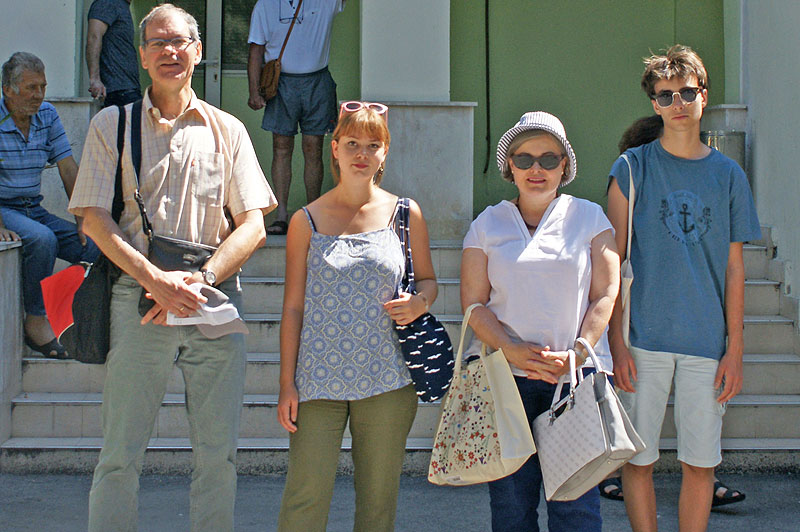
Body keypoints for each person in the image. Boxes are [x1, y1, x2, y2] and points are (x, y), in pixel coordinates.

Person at [69, 5, 277, 531]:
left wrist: (201, 281)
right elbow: (93, 219)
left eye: (179, 41)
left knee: (218, 457)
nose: (169, 50)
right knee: (119, 455)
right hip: (137, 300)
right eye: (157, 42)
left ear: (198, 51)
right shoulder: (112, 124)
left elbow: (253, 224)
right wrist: (155, 281)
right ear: (141, 56)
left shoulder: (228, 129)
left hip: (212, 299)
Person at [606, 45, 760, 532]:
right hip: (641, 340)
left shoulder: (729, 175)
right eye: (666, 95)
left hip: (706, 343)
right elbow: (612, 263)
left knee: (701, 464)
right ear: (654, 103)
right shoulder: (631, 168)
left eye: (687, 93)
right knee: (638, 461)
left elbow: (735, 269)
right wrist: (615, 343)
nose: (678, 103)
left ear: (703, 96)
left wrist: (735, 348)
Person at [276, 101, 435, 531]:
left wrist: (419, 302)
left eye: (372, 145)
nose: (361, 154)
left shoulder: (405, 213)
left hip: (387, 379)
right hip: (317, 382)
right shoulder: (305, 220)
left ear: (385, 152)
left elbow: (428, 281)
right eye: (352, 144)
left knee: (378, 504)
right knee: (304, 500)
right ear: (335, 148)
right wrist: (287, 383)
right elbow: (293, 307)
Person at [460, 111, 620, 532]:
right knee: (511, 509)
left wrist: (579, 351)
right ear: (509, 166)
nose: (537, 169)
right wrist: (511, 348)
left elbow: (606, 293)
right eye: (525, 158)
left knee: (577, 508)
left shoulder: (590, 218)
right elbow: (473, 304)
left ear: (564, 166)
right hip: (506, 380)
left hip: (574, 380)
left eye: (549, 159)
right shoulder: (486, 224)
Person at [0, 51, 99, 359]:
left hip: (34, 207)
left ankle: (64, 311)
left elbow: (67, 167)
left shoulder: (48, 115)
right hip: (5, 208)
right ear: (8, 89)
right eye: (31, 88)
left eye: (42, 86)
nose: (39, 95)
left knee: (94, 247)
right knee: (43, 240)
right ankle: (36, 320)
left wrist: (83, 216)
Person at [247, 0, 344, 235]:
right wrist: (253, 91)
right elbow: (256, 51)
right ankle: (281, 215)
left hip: (317, 81)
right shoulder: (265, 5)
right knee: (281, 147)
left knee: (313, 148)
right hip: (281, 83)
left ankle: (313, 214)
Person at [86, 0, 142, 107]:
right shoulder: (107, 3)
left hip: (128, 89)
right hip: (117, 92)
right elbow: (93, 37)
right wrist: (95, 79)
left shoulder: (122, 5)